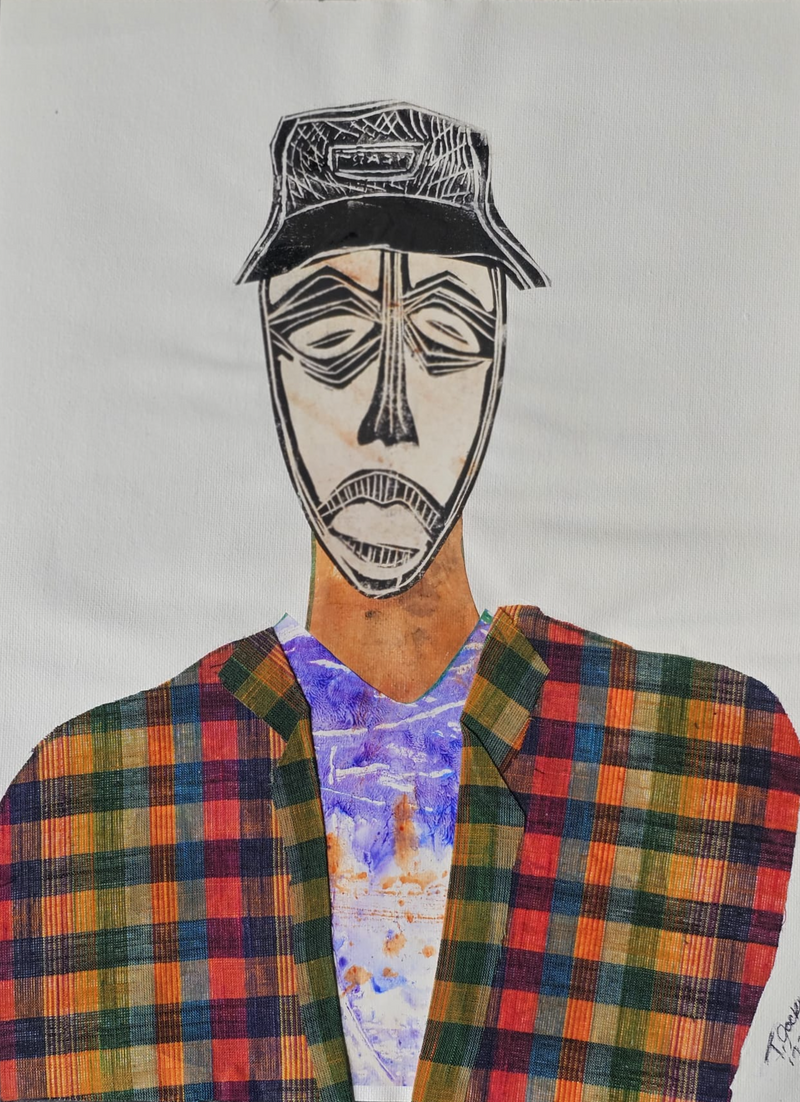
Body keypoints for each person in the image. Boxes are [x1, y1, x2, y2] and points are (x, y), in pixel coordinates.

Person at [1, 101, 797, 1102]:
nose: (389, 417)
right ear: (271, 364)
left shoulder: (704, 751)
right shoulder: (85, 797)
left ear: (496, 369)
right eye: (331, 335)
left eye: (446, 336)